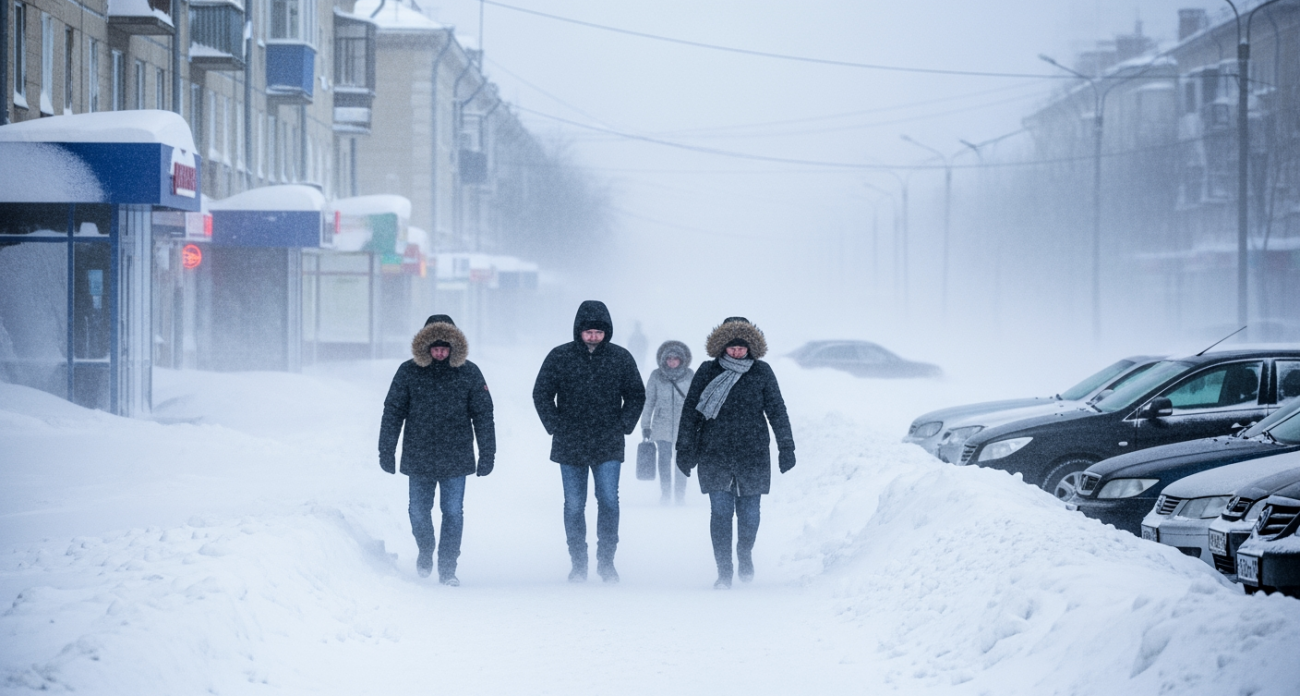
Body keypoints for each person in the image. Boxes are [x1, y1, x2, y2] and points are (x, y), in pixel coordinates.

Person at [676, 317, 795, 589]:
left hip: (753, 453)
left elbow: (777, 410)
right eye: (732, 347)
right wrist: (684, 448)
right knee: (720, 513)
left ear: (751, 347)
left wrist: (786, 446)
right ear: (722, 346)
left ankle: (744, 551)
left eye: (742, 347)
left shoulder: (761, 372)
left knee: (750, 515)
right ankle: (724, 571)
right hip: (714, 452)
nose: (738, 352)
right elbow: (691, 412)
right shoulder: (707, 371)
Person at [533, 300, 646, 583]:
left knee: (608, 500)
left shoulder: (620, 358)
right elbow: (541, 393)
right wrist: (555, 425)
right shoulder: (560, 356)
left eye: (598, 332)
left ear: (607, 332)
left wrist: (624, 424)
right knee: (574, 504)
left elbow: (636, 394)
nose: (593, 337)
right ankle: (578, 562)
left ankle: (606, 561)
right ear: (579, 331)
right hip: (570, 442)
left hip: (608, 442)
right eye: (588, 332)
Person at [379, 314, 495, 586]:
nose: (440, 353)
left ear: (454, 347)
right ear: (425, 346)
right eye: (435, 348)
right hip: (419, 455)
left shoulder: (469, 373)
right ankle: (426, 547)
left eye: (445, 348)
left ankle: (447, 568)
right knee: (418, 512)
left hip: (456, 456)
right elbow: (393, 412)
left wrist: (487, 453)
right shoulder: (408, 372)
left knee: (453, 512)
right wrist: (386, 450)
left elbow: (483, 415)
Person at [640, 340, 695, 505]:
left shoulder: (690, 375)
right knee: (664, 462)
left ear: (682, 359)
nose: (672, 361)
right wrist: (645, 425)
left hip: (684, 428)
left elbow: (696, 401)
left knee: (681, 463)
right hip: (661, 426)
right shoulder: (656, 376)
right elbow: (649, 401)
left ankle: (680, 496)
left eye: (675, 358)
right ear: (663, 359)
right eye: (669, 358)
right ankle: (665, 494)